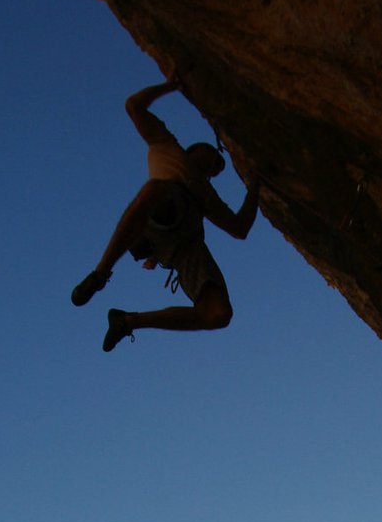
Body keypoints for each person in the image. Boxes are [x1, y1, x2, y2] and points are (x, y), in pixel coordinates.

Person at [71, 76, 260, 351]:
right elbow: (134, 106)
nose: (216, 169)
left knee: (219, 315)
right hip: (160, 215)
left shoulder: (207, 196)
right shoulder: (167, 146)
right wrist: (173, 85)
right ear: (194, 150)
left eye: (218, 168)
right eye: (213, 159)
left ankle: (127, 321)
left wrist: (255, 187)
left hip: (186, 249)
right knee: (158, 190)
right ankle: (100, 273)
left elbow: (239, 228)